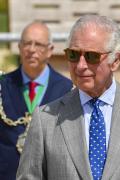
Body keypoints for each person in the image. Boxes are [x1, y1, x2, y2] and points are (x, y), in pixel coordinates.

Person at [17, 15, 120, 180]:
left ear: (115, 61)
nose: (81, 66)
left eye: (91, 56)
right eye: (73, 55)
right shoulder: (45, 119)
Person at [0, 21, 73, 180]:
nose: (31, 50)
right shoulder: (2, 86)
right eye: (27, 43)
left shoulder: (67, 90)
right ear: (19, 47)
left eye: (38, 44)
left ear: (50, 50)